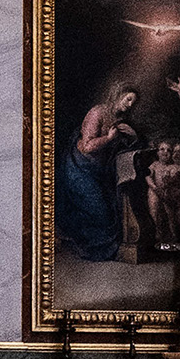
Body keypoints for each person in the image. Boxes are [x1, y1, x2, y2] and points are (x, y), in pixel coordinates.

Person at [59, 88, 140, 260]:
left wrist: (132, 136)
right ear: (118, 95)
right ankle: (94, 250)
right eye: (128, 99)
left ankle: (104, 251)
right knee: (99, 211)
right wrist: (109, 138)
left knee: (111, 208)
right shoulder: (98, 113)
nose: (130, 104)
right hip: (79, 168)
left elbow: (123, 146)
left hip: (98, 171)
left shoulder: (121, 120)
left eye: (133, 102)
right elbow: (87, 146)